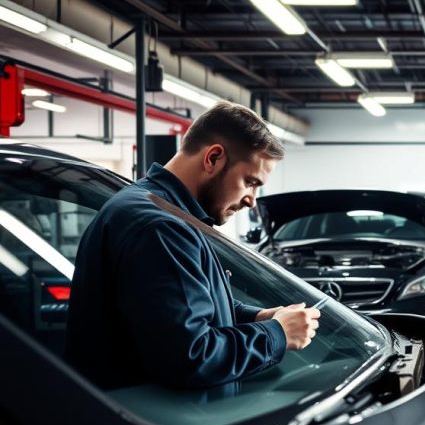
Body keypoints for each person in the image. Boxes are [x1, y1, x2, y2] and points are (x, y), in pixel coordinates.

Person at [66, 102, 320, 389]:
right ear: (213, 158)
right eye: (250, 182)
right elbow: (192, 356)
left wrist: (258, 317)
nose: (252, 200)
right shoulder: (161, 228)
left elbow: (186, 308)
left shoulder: (162, 212)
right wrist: (276, 334)